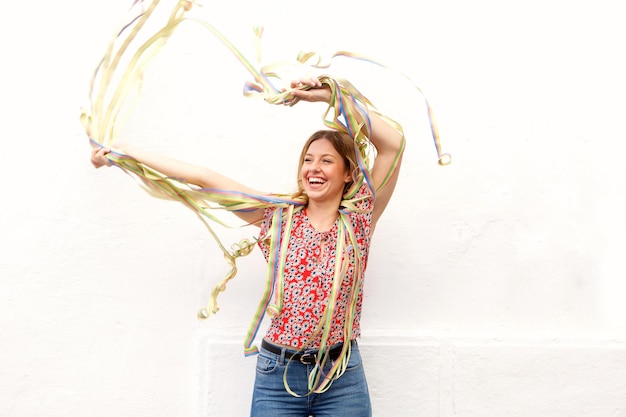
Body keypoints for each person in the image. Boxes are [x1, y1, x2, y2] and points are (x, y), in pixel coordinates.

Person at [91, 76, 405, 417]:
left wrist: (330, 97)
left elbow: (394, 144)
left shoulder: (359, 220)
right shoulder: (276, 219)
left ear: (348, 173)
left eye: (327, 161)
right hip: (278, 375)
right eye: (308, 160)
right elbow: (205, 178)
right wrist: (128, 152)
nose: (314, 168)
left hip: (342, 375)